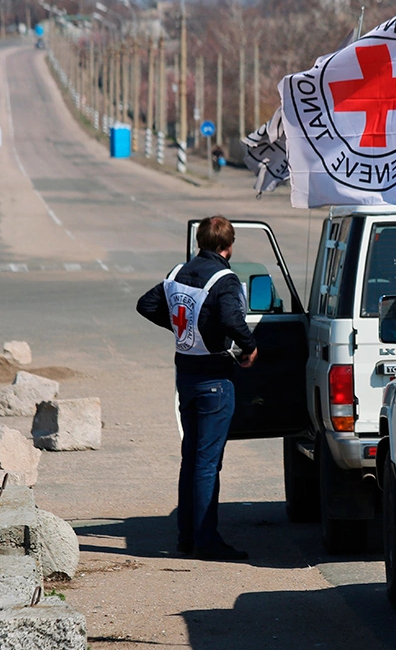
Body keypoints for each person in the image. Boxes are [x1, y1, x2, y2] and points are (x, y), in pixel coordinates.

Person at [136, 216, 257, 561]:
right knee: (207, 463)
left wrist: (182, 326)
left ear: (200, 242)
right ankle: (206, 540)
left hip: (185, 375)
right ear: (228, 246)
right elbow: (233, 320)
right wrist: (248, 347)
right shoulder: (225, 279)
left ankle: (187, 537)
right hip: (215, 380)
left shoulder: (177, 273)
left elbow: (146, 304)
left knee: (191, 459)